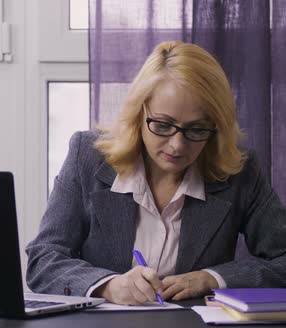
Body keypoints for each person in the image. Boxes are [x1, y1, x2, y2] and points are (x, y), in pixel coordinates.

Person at [25, 41, 286, 305]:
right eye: (162, 125)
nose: (177, 145)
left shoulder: (239, 173)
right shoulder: (88, 158)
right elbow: (44, 259)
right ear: (139, 113)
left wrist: (212, 278)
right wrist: (108, 286)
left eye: (196, 130)